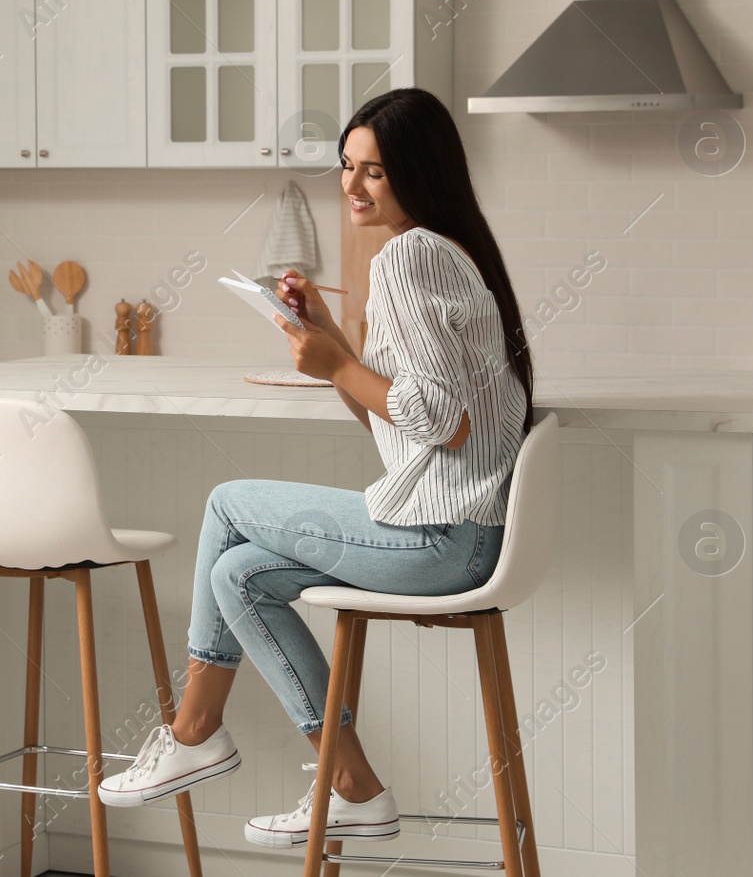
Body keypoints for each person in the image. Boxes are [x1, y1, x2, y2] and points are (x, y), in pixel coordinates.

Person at [96, 87, 535, 847]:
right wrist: (332, 345)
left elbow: (444, 420)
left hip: (443, 536)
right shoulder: (449, 250)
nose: (350, 185)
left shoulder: (409, 253)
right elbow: (405, 426)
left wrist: (333, 360)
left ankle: (195, 728)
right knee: (239, 576)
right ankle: (353, 786)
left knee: (228, 501)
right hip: (458, 531)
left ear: (416, 172)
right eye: (345, 165)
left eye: (373, 171)